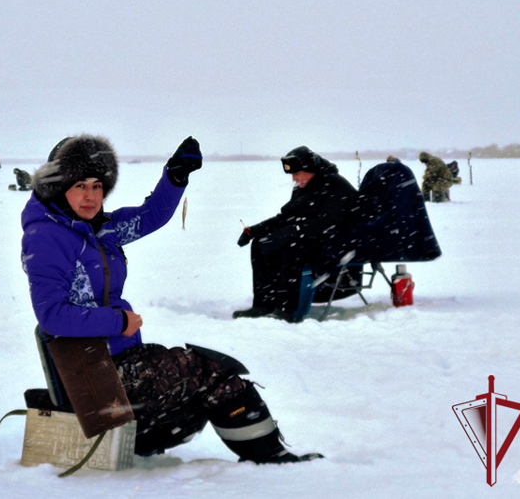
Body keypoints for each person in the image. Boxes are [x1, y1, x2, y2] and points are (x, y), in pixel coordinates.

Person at [21, 134, 321, 464]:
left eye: (97, 185)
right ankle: (269, 458)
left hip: (119, 356)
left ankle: (261, 452)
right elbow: (52, 315)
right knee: (210, 374)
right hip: (93, 370)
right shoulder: (46, 236)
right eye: (80, 185)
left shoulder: (99, 228)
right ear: (56, 186)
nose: (91, 195)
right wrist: (119, 321)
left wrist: (174, 177)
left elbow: (151, 216)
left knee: (209, 381)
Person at [234, 146, 357, 322]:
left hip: (334, 243)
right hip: (309, 238)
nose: (294, 179)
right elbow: (287, 217)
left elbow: (330, 222)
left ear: (310, 169)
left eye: (297, 173)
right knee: (262, 243)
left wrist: (296, 231)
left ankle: (285, 310)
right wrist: (255, 230)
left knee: (292, 245)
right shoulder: (303, 186)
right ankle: (263, 305)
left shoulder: (335, 185)